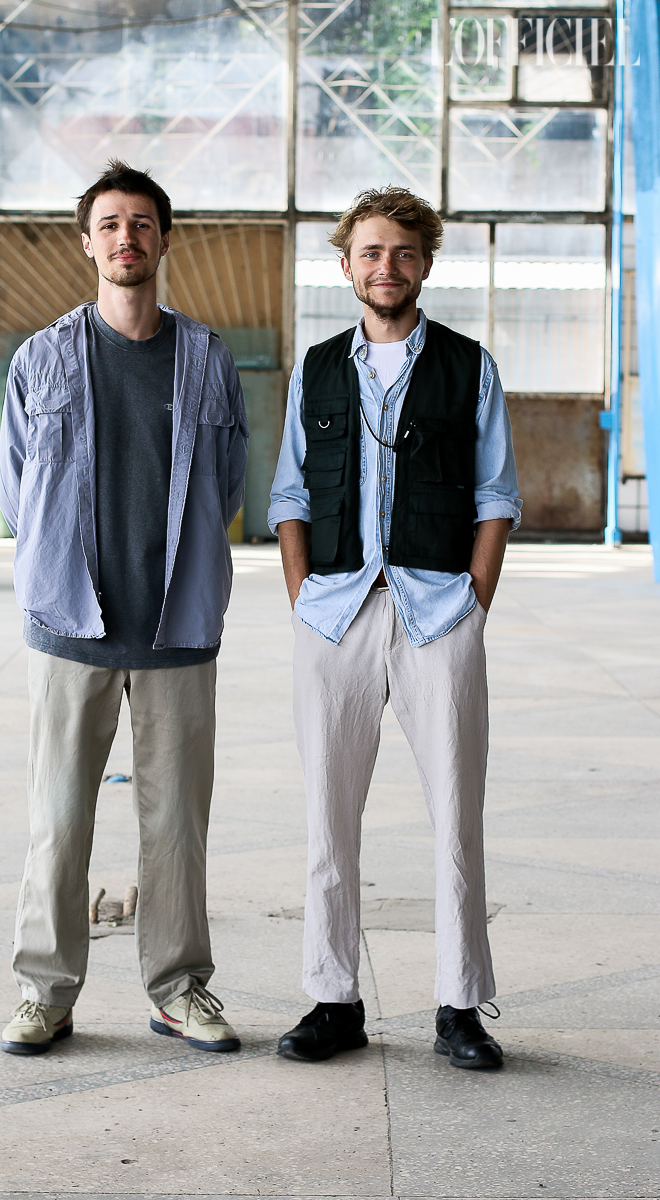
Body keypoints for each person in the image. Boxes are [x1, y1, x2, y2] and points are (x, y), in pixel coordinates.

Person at [0, 160, 248, 1056]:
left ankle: (179, 990)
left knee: (176, 826)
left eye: (141, 223)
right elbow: (17, 495)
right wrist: (62, 564)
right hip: (70, 626)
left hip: (178, 626)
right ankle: (45, 992)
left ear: (164, 239)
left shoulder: (208, 358)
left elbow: (226, 484)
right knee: (59, 820)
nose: (126, 238)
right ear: (87, 243)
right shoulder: (41, 359)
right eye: (109, 224)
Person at [268, 187, 521, 1069]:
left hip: (439, 612)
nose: (387, 267)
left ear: (425, 264)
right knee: (327, 814)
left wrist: (475, 598)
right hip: (334, 615)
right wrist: (301, 593)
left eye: (404, 252)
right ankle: (332, 1001)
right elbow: (290, 492)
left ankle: (460, 1007)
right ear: (346, 266)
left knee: (456, 814)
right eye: (371, 252)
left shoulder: (469, 366)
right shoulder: (315, 369)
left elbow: (496, 494)